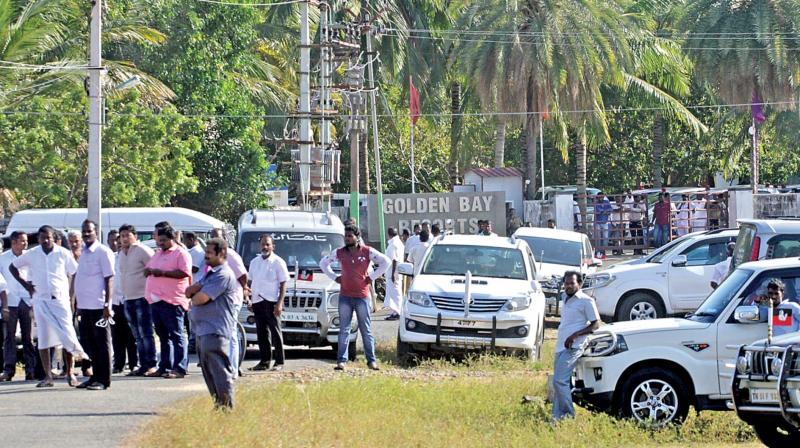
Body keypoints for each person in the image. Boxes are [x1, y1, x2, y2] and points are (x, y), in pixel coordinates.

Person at [10, 225, 88, 388]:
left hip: (60, 301)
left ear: (54, 238)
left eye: (48, 237)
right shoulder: (32, 254)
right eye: (42, 238)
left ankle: (70, 373)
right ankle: (48, 376)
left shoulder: (63, 253)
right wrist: (27, 286)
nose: (45, 240)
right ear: (38, 239)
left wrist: (73, 297)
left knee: (68, 336)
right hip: (40, 301)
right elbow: (13, 267)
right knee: (44, 339)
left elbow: (75, 272)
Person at [320, 225, 390, 371]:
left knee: (366, 329)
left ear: (357, 237)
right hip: (345, 296)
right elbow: (323, 263)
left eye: (350, 236)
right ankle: (341, 361)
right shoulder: (339, 252)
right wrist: (334, 277)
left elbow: (386, 262)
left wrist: (372, 277)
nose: (347, 238)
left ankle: (371, 361)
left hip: (362, 296)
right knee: (344, 329)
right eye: (346, 236)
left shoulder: (367, 251)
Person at [185, 238, 238, 409]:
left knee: (220, 372)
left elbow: (199, 299)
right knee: (209, 372)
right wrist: (194, 293)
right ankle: (218, 405)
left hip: (216, 331)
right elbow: (188, 291)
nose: (205, 256)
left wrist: (195, 294)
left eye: (209, 253)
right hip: (203, 331)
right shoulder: (210, 273)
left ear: (221, 253)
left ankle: (227, 408)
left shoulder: (223, 274)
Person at [73, 220, 116, 391]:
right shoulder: (83, 252)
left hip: (99, 306)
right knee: (89, 343)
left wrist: (108, 304)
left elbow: (109, 278)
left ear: (96, 232)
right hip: (85, 306)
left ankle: (104, 380)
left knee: (102, 344)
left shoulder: (102, 252)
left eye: (89, 231)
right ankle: (94, 378)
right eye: (84, 231)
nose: (86, 234)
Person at [145, 225, 192, 379]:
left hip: (173, 300)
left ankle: (180, 368)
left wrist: (162, 273)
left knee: (177, 335)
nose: (160, 243)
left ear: (172, 238)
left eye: (163, 240)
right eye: (159, 240)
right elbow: (150, 267)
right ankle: (164, 366)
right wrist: (149, 271)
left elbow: (184, 273)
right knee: (163, 336)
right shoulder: (158, 253)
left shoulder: (181, 254)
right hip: (156, 300)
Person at [552, 271, 600, 421]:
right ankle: (557, 416)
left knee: (560, 380)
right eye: (566, 283)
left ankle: (568, 415)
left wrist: (575, 335)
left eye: (572, 283)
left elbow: (595, 324)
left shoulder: (586, 300)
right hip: (561, 346)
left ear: (579, 284)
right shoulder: (565, 297)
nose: (568, 286)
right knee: (559, 382)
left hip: (574, 346)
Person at [118, 224, 158, 377]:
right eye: (122, 236)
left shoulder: (142, 250)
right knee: (137, 335)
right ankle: (143, 365)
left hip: (143, 298)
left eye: (128, 235)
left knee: (146, 333)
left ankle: (151, 364)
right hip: (128, 299)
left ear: (135, 236)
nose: (125, 238)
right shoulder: (121, 253)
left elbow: (154, 269)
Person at [210, 228, 248, 378]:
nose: (215, 241)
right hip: (216, 300)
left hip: (231, 299)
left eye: (217, 238)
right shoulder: (212, 256)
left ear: (224, 239)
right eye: (212, 238)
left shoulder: (231, 255)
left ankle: (232, 369)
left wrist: (244, 289)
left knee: (231, 332)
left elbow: (242, 276)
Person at [247, 235, 289, 372]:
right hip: (257, 301)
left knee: (276, 332)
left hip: (271, 302)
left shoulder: (278, 262)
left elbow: (283, 284)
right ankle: (264, 362)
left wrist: (279, 303)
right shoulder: (254, 262)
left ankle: (279, 362)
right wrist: (249, 299)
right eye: (263, 244)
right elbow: (250, 282)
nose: (265, 247)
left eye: (268, 244)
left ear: (273, 246)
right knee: (262, 333)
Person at [0, 231, 35, 382]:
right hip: (11, 302)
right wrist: (4, 306)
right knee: (10, 337)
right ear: (14, 242)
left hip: (27, 301)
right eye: (22, 241)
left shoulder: (31, 256)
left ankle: (31, 370)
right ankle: (9, 369)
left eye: (26, 241)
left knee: (28, 337)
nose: (25, 244)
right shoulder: (3, 259)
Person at [108, 230, 137, 374]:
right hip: (114, 301)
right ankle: (118, 363)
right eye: (114, 242)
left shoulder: (131, 257)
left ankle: (133, 363)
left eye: (119, 241)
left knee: (130, 334)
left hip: (129, 299)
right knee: (116, 334)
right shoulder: (111, 258)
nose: (117, 244)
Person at [383, 228, 404, 320]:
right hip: (396, 272)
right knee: (394, 293)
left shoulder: (393, 245)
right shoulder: (398, 243)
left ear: (389, 234)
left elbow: (394, 260)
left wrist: (393, 274)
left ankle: (398, 313)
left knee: (396, 294)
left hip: (393, 273)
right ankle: (394, 312)